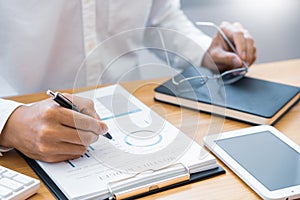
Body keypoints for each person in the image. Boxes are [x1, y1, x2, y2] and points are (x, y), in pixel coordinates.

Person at [0, 1, 256, 162]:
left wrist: (204, 52)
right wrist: (9, 123)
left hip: (131, 114)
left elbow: (160, 17)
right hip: (18, 143)